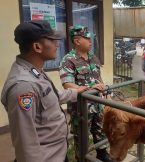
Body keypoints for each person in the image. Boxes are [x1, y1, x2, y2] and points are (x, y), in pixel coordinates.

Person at [1, 20, 87, 162]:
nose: (57, 44)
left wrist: (76, 92)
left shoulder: (34, 70)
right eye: (52, 40)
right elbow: (25, 144)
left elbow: (50, 97)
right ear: (37, 47)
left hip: (57, 152)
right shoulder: (23, 86)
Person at [59, 25, 112, 162]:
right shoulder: (68, 60)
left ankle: (102, 153)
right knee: (81, 136)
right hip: (81, 108)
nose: (90, 41)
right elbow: (68, 85)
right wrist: (92, 87)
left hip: (97, 104)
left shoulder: (93, 57)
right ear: (77, 41)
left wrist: (104, 88)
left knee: (100, 130)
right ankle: (82, 158)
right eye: (87, 38)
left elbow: (98, 78)